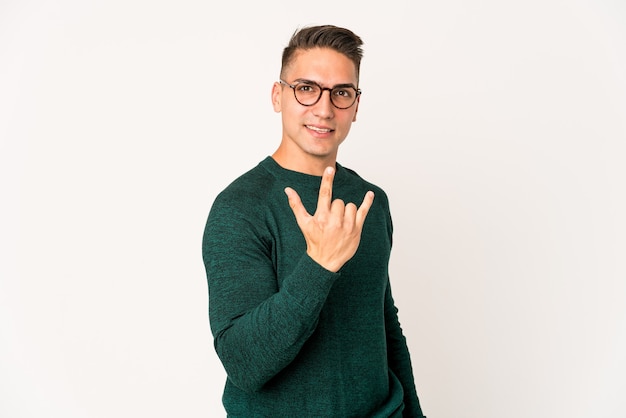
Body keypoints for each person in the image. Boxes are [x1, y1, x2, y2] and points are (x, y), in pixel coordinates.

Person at [202, 25, 426, 417]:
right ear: (278, 96)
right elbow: (244, 363)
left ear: (356, 106)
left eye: (341, 93)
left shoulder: (370, 200)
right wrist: (320, 265)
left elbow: (384, 324)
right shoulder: (239, 208)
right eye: (307, 88)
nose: (324, 109)